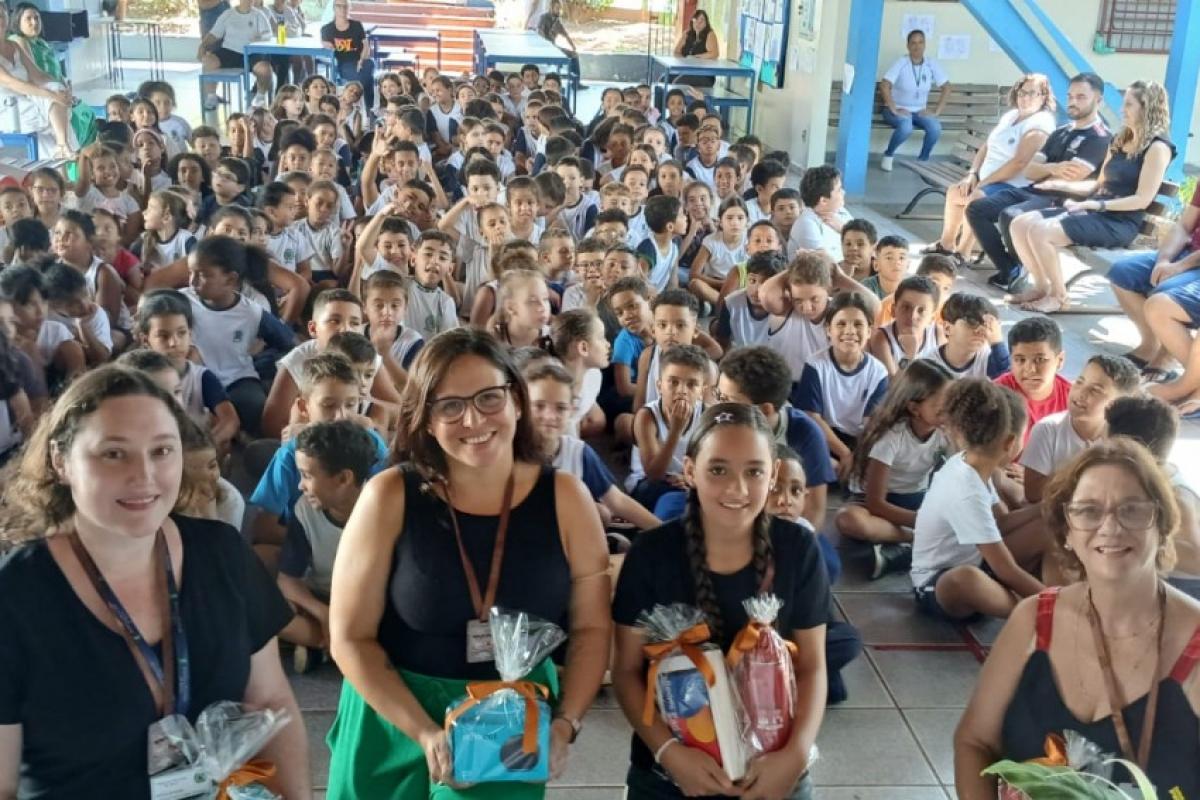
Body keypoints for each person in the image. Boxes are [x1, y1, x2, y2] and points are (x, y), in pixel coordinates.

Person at [325, 328, 611, 799]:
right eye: (450, 406)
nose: (474, 419)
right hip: (391, 717)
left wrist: (566, 724)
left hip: (507, 723)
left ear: (516, 400)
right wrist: (424, 733)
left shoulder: (566, 499)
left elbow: (592, 629)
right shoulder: (388, 496)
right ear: (426, 420)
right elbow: (349, 637)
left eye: (488, 398)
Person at [0, 366, 310, 798]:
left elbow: (271, 700)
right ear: (60, 461)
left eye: (162, 450)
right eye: (113, 453)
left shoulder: (222, 554)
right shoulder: (15, 596)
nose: (143, 475)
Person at [954, 438, 1200, 799]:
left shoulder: (1193, 646)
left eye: (1132, 510)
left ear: (1161, 526)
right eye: (1088, 511)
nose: (1110, 527)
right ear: (1066, 531)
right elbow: (975, 741)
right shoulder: (1034, 620)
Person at [611, 403, 827, 799]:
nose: (737, 489)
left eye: (754, 471)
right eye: (718, 470)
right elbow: (625, 672)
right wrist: (670, 753)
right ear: (690, 471)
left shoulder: (798, 548)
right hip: (671, 771)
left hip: (773, 765)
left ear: (774, 473)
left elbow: (813, 666)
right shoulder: (651, 553)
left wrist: (794, 756)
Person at [1007, 80, 1175, 313]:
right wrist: (1064, 186)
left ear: (1147, 107)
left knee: (1041, 232)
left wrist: (1097, 204)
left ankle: (1058, 296)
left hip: (1119, 221)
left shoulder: (1158, 148)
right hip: (1096, 210)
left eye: (1129, 104)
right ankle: (1041, 287)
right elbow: (1100, 184)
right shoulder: (1120, 140)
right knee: (1019, 223)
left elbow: (1142, 199)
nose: (1122, 109)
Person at [965, 72, 1112, 293]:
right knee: (976, 209)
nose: (1073, 101)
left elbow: (1070, 176)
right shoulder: (1062, 132)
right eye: (1070, 96)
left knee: (1011, 215)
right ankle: (1011, 269)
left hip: (1060, 198)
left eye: (1081, 97)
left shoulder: (1098, 137)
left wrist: (1046, 170)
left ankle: (1023, 270)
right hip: (1033, 189)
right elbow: (1030, 170)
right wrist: (1052, 168)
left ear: (1098, 100)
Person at [911, 379, 1044, 622]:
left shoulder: (972, 463)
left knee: (1046, 525)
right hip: (936, 583)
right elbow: (1006, 568)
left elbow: (1000, 523)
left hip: (979, 562)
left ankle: (1043, 603)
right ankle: (1049, 613)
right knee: (966, 579)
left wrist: (1045, 508)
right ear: (1009, 442)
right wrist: (1060, 605)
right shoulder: (965, 488)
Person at [926, 74, 1056, 266]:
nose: (1025, 98)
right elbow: (986, 146)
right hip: (987, 180)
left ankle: (963, 252)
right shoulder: (1011, 116)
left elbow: (1019, 163)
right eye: (1022, 93)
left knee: (976, 198)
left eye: (1032, 93)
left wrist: (984, 183)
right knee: (956, 191)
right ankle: (946, 245)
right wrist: (972, 174)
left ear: (1043, 97)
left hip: (1013, 186)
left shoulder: (1041, 123)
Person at [1107, 164, 1200, 391]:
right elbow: (1184, 225)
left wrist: (1180, 267)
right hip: (1186, 253)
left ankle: (1189, 377)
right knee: (1122, 272)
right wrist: (1164, 260)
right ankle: (1152, 345)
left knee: (1163, 297)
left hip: (1194, 263)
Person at [8, 3, 97, 149]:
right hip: (40, 90)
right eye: (28, 19)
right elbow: (35, 74)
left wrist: (66, 88)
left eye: (37, 18)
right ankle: (73, 152)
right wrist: (57, 89)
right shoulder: (18, 40)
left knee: (86, 113)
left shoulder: (42, 43)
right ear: (17, 22)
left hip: (56, 86)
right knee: (76, 118)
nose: (34, 22)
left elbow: (57, 71)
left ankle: (88, 154)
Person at [0, 4, 74, 159]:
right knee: (52, 106)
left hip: (30, 96)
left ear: (7, 17)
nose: (0, 20)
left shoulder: (14, 46)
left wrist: (62, 88)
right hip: (9, 106)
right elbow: (13, 83)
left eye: (2, 15)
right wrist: (50, 95)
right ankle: (60, 150)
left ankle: (63, 145)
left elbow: (37, 75)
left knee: (56, 89)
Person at [878, 29, 952, 171]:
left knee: (935, 127)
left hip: (919, 111)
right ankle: (888, 155)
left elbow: (947, 87)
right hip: (897, 110)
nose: (917, 46)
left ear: (925, 45)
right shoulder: (901, 62)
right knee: (906, 126)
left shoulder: (931, 63)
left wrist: (936, 112)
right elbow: (884, 85)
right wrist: (894, 109)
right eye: (913, 43)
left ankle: (922, 161)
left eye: (920, 42)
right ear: (908, 46)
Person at [321, 1, 376, 110]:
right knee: (367, 79)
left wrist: (361, 60)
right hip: (344, 63)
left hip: (361, 60)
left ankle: (363, 107)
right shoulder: (327, 29)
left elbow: (366, 46)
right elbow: (327, 49)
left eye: (345, 6)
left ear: (349, 8)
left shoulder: (357, 25)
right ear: (334, 8)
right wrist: (325, 44)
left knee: (368, 66)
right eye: (339, 6)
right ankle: (368, 108)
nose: (342, 9)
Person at [671, 10, 719, 87]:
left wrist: (695, 58)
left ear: (706, 23)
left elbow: (714, 54)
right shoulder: (687, 34)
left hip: (703, 75)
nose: (698, 23)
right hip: (686, 71)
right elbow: (676, 52)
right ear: (692, 21)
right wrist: (684, 61)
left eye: (702, 20)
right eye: (696, 20)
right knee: (664, 79)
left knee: (677, 83)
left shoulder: (710, 34)